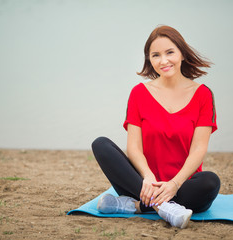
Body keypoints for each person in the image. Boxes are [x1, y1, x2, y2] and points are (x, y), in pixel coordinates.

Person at [91, 25, 220, 229]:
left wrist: (174, 184)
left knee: (210, 182)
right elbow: (134, 148)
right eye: (156, 55)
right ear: (149, 60)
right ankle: (165, 208)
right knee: (101, 145)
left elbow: (198, 149)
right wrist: (148, 178)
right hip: (142, 184)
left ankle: (136, 207)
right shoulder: (139, 93)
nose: (163, 61)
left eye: (170, 52)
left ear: (182, 54)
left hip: (182, 187)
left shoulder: (203, 95)